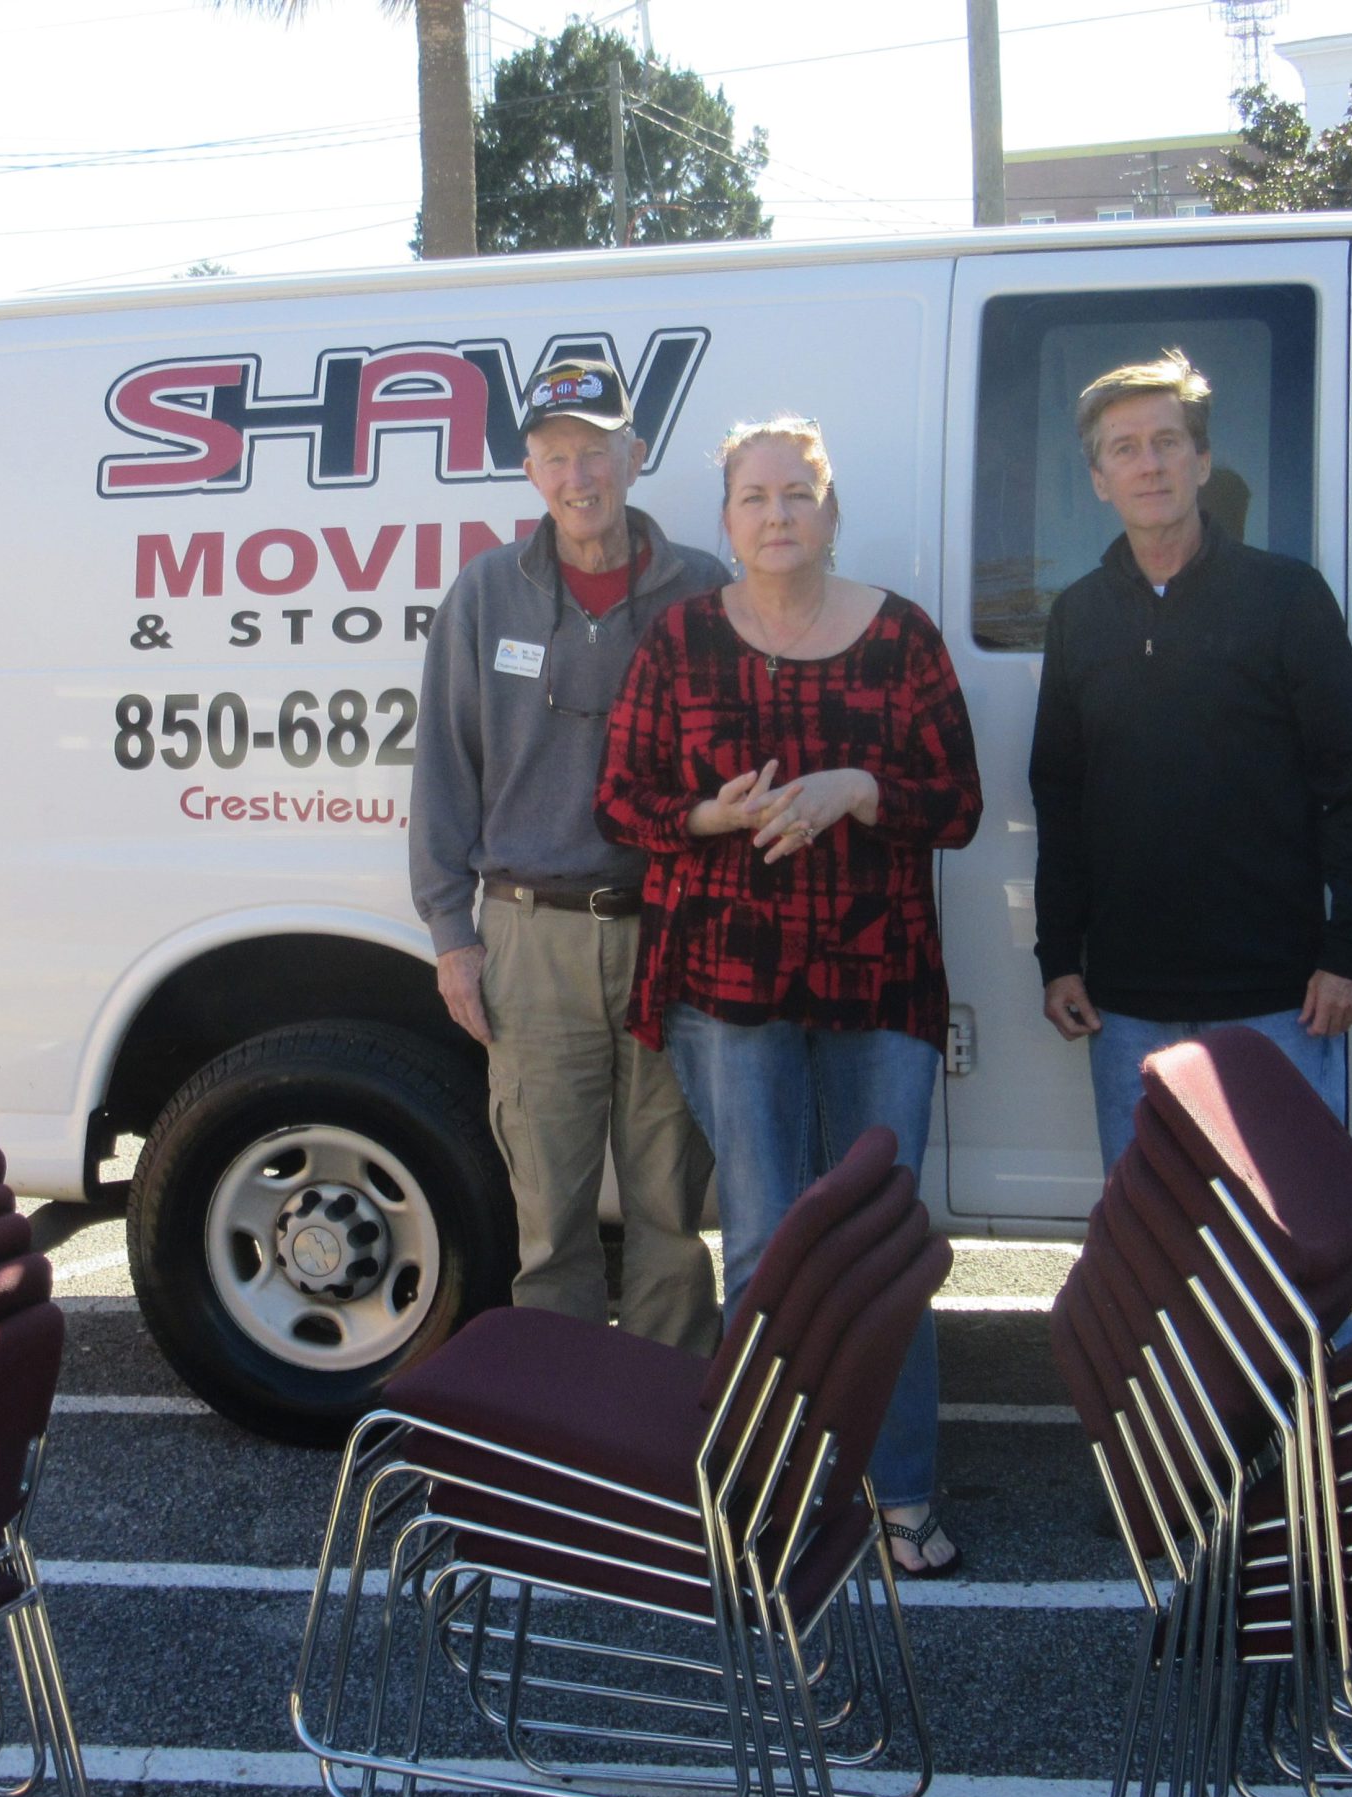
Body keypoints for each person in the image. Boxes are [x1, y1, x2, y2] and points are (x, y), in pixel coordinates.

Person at [595, 416, 983, 1578]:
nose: (776, 513)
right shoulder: (680, 640)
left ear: (831, 507)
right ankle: (769, 1489)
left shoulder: (901, 638)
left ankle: (900, 1487)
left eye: (798, 492)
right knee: (763, 1243)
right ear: (724, 519)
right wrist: (714, 813)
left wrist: (859, 783)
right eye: (754, 496)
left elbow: (953, 802)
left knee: (879, 1240)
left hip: (879, 983)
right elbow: (625, 800)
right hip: (729, 984)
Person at [410, 358, 726, 1354]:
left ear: (634, 456)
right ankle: (565, 1452)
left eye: (595, 450)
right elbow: (443, 769)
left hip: (669, 933)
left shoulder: (703, 591)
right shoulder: (486, 592)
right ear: (529, 470)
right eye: (555, 455)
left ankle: (675, 1441)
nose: (578, 473)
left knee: (673, 1215)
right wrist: (451, 933)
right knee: (549, 1220)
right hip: (528, 939)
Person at [1030, 350, 1352, 1170]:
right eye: (1124, 448)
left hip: (1275, 1003)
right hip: (1125, 1008)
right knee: (1153, 1246)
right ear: (1098, 479)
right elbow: (1062, 798)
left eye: (1167, 441)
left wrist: (1348, 953)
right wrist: (1060, 960)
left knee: (1291, 1246)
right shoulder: (1079, 616)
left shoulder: (1287, 598)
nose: (1148, 463)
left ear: (1201, 462)